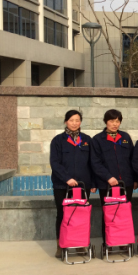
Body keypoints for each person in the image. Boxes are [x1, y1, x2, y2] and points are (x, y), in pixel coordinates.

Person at [50, 110, 94, 258]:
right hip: (62, 185)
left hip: (82, 185)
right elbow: (54, 163)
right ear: (65, 122)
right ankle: (60, 245)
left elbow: (92, 163)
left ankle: (80, 244)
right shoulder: (58, 140)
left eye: (77, 120)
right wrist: (66, 178)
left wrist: (93, 182)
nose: (74, 123)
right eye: (71, 120)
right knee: (62, 215)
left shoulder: (87, 140)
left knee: (80, 215)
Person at [90, 109, 135, 242]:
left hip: (126, 183)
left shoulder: (125, 137)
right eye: (111, 121)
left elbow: (133, 159)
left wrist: (135, 179)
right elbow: (95, 162)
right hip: (107, 184)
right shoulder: (97, 140)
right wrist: (108, 177)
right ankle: (108, 242)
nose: (115, 124)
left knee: (124, 214)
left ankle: (124, 242)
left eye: (117, 121)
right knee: (109, 214)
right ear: (105, 122)